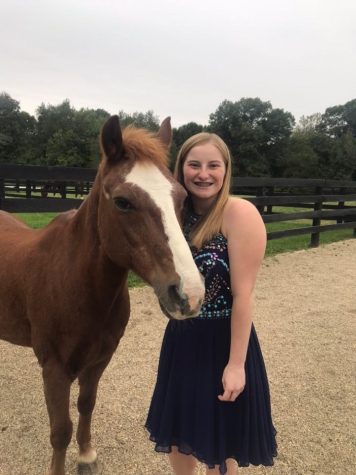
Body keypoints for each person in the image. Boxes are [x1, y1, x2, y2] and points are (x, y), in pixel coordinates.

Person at [145, 132, 277, 474]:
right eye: (194, 165)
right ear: (181, 168)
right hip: (181, 338)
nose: (203, 173)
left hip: (222, 341)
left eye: (213, 165)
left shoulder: (239, 214)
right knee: (177, 433)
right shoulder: (174, 215)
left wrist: (236, 365)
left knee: (220, 443)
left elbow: (243, 296)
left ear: (225, 170)